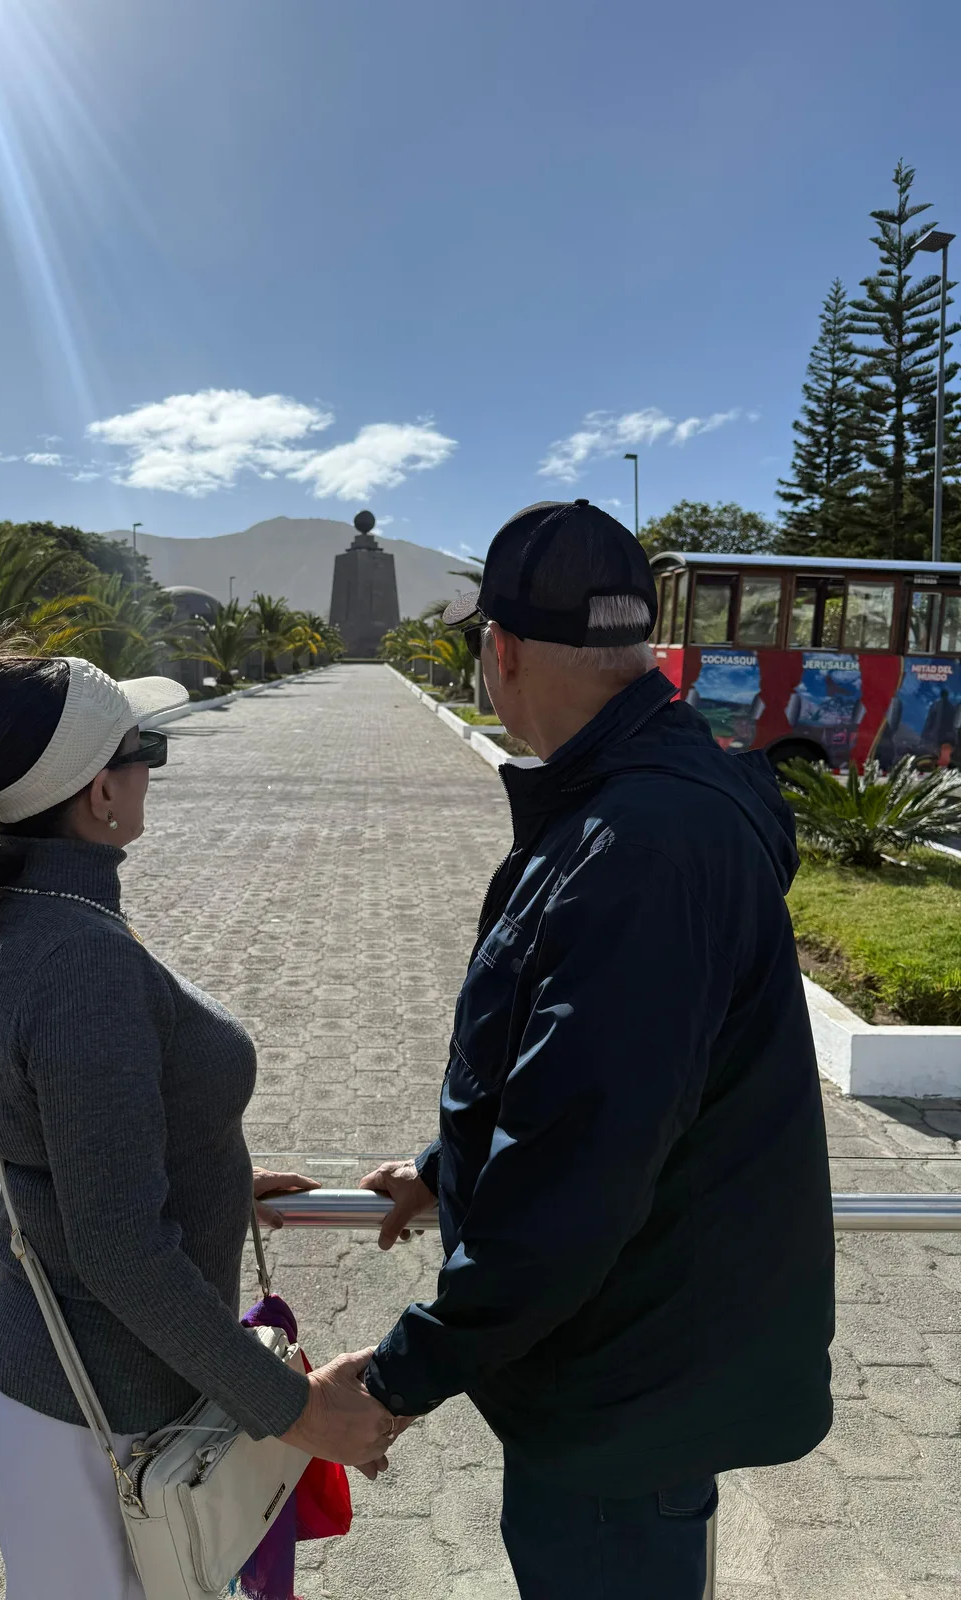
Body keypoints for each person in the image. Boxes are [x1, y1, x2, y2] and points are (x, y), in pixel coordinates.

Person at [360, 501, 835, 1600]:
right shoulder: (657, 804)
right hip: (637, 1378)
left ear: (503, 650)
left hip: (621, 1406)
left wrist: (392, 1383)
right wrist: (449, 1172)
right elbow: (617, 1082)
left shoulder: (636, 846)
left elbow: (583, 1167)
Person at [0, 643, 395, 1600]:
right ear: (100, 795)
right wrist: (295, 1411)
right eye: (146, 753)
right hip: (94, 1417)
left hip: (97, 1399)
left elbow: (80, 1143)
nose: (148, 773)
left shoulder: (44, 915)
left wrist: (209, 1172)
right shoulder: (76, 955)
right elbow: (118, 1246)